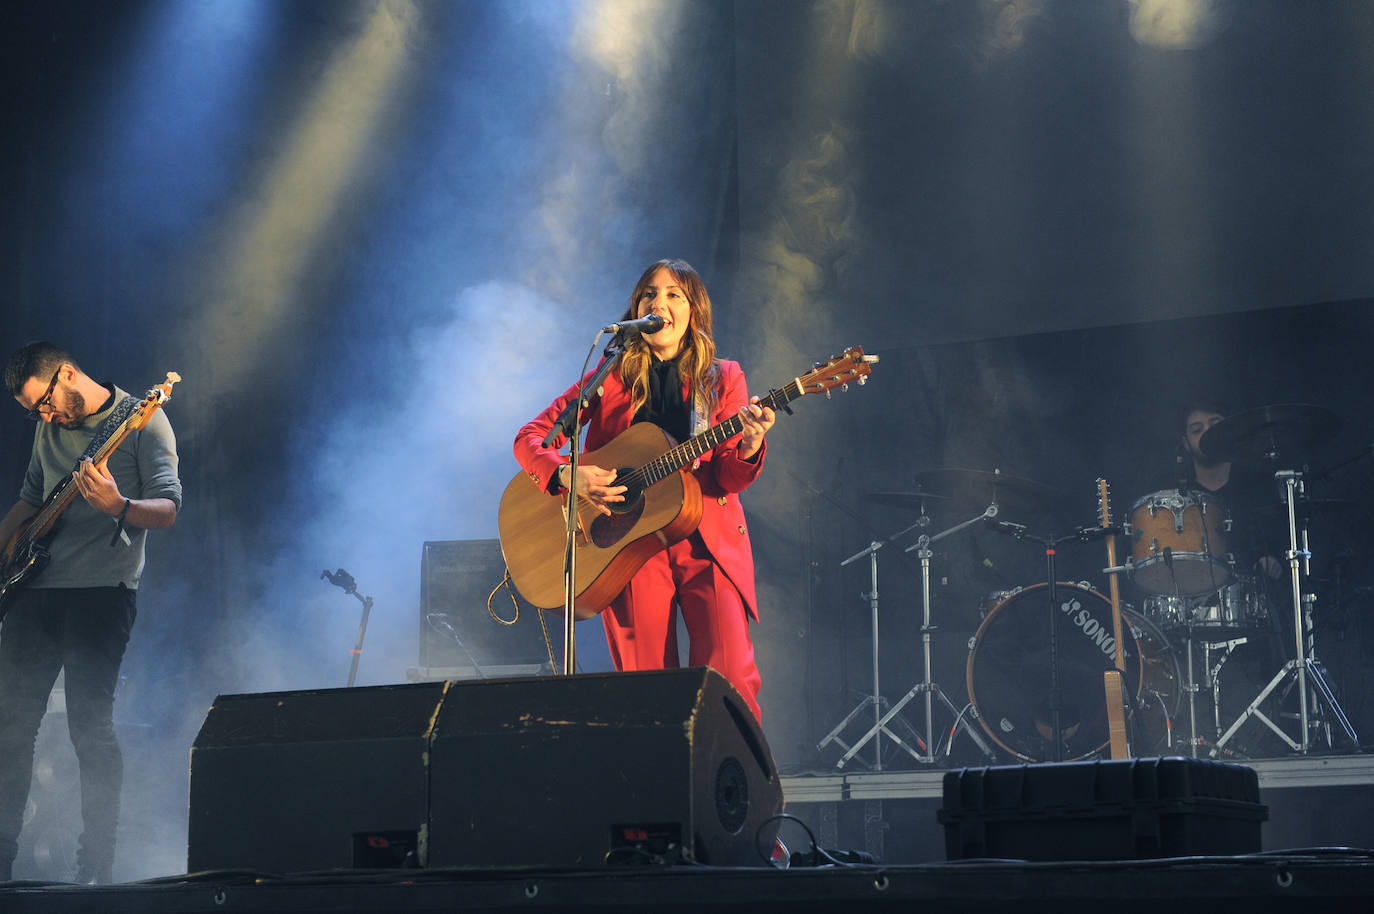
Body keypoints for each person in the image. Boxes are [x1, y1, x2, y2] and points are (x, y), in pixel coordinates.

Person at [513, 259, 774, 722]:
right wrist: (568, 475)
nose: (660, 303)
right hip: (629, 544)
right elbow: (531, 438)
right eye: (649, 294)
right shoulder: (609, 377)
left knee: (731, 675)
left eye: (674, 294)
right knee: (644, 689)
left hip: (706, 540)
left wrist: (752, 442)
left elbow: (730, 477)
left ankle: (733, 785)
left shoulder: (723, 377)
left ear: (694, 310)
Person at [0, 342, 181, 884]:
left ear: (68, 374)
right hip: (35, 595)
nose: (46, 417)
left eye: (46, 405)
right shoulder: (48, 425)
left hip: (102, 595)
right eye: (36, 413)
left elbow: (169, 507)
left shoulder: (146, 422)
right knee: (10, 729)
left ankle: (95, 868)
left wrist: (118, 507)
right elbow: (32, 497)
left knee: (90, 732)